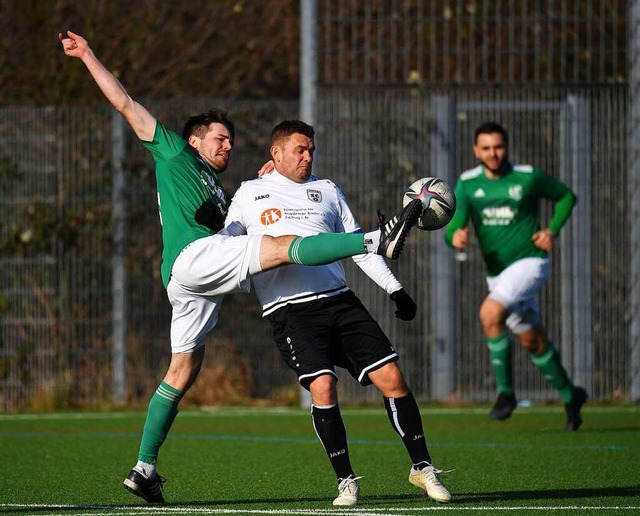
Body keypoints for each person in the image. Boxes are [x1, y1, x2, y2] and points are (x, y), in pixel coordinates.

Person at [58, 31, 424, 504]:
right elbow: (127, 104)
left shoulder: (219, 188)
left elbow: (232, 220)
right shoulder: (173, 150)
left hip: (191, 280)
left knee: (183, 370)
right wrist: (88, 54)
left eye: (230, 141)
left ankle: (144, 468)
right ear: (194, 139)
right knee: (281, 245)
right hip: (194, 262)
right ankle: (377, 237)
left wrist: (261, 183)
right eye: (219, 138)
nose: (227, 146)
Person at [224, 120, 451, 505]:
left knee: (393, 378)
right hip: (290, 311)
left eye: (311, 149)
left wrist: (396, 290)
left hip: (339, 300)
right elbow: (226, 245)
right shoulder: (249, 193)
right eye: (299, 150)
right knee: (324, 386)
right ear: (275, 154)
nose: (307, 156)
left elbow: (359, 245)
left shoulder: (327, 190)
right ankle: (346, 480)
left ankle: (422, 467)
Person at [444, 121, 587, 431]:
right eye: (486, 148)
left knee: (490, 313)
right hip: (496, 274)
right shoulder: (468, 184)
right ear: (475, 150)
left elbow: (566, 197)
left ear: (506, 147)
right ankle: (571, 394)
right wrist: (454, 235)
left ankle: (506, 394)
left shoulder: (527, 176)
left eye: (498, 146)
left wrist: (551, 231)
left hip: (531, 263)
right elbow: (453, 225)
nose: (493, 153)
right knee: (532, 340)